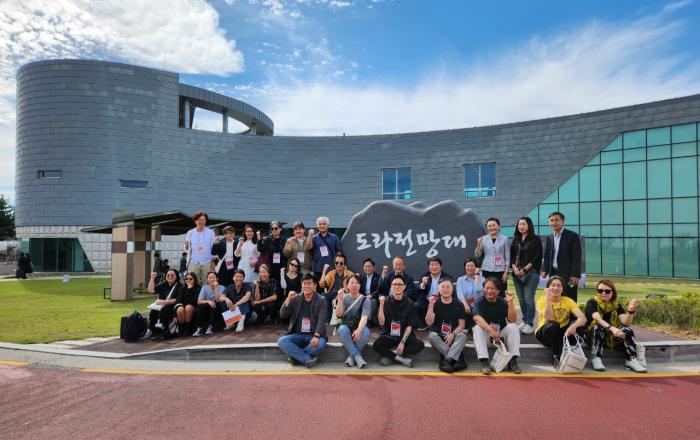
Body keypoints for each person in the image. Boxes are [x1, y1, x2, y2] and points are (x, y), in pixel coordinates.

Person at [585, 280, 646, 373]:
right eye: (600, 291)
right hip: (592, 336)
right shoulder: (592, 302)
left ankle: (631, 359)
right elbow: (597, 319)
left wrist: (630, 311)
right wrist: (612, 328)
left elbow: (626, 323)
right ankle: (595, 358)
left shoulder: (616, 305)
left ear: (612, 292)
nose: (603, 293)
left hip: (610, 337)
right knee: (598, 327)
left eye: (607, 291)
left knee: (627, 329)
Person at [535, 275, 587, 367]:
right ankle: (557, 355)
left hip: (562, 333)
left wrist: (573, 326)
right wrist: (548, 298)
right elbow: (549, 317)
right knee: (554, 325)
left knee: (579, 324)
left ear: (563, 289)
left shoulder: (568, 301)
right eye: (553, 285)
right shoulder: (542, 300)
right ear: (548, 287)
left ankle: (573, 352)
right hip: (545, 333)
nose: (556, 288)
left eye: (559, 286)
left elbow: (583, 318)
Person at [472, 277, 521, 374]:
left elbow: (513, 320)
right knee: (477, 328)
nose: (489, 291)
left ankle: (512, 361)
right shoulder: (479, 301)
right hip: (486, 337)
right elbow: (476, 318)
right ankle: (485, 362)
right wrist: (490, 330)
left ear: (498, 291)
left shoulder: (503, 302)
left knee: (513, 327)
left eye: (492, 288)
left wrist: (510, 302)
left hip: (500, 338)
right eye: (487, 288)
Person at [373, 275, 425, 367]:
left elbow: (409, 326)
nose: (397, 286)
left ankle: (390, 356)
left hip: (404, 335)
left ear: (404, 286)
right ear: (391, 286)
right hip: (389, 335)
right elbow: (381, 323)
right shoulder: (385, 302)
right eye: (395, 284)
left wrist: (402, 342)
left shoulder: (410, 303)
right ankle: (402, 359)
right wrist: (381, 305)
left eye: (400, 284)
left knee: (419, 344)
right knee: (376, 345)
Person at [277, 273, 328, 367]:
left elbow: (322, 320)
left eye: (309, 283)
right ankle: (306, 358)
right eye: (304, 283)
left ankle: (295, 357)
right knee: (282, 341)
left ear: (315, 285)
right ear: (301, 285)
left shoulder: (321, 300)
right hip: (297, 335)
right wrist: (288, 299)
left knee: (321, 344)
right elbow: (283, 314)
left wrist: (316, 336)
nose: (306, 286)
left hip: (314, 335)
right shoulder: (296, 298)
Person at [426, 277, 469, 373]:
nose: (445, 290)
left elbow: (462, 325)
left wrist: (453, 334)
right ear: (438, 289)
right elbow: (429, 322)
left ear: (452, 288)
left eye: (448, 287)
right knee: (431, 336)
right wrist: (431, 305)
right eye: (443, 287)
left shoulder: (459, 304)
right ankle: (456, 357)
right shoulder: (434, 303)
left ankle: (446, 360)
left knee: (463, 336)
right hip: (439, 338)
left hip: (453, 337)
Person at [510, 216, 542, 335]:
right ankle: (524, 321)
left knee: (529, 299)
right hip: (516, 274)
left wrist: (524, 269)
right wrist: (515, 268)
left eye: (523, 224)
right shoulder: (515, 240)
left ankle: (529, 324)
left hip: (531, 273)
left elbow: (537, 257)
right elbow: (511, 257)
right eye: (519, 224)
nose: (521, 226)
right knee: (521, 299)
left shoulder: (535, 239)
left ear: (529, 225)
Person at [541, 211, 582, 301]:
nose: (554, 222)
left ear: (563, 222)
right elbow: (547, 255)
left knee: (569, 298)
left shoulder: (572, 236)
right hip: (553, 273)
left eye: (557, 220)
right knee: (554, 297)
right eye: (551, 220)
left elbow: (577, 257)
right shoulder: (550, 237)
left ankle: (571, 311)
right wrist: (544, 269)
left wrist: (575, 274)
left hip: (569, 274)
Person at [335, 274, 372, 369]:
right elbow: (339, 315)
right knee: (342, 329)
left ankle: (352, 358)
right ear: (347, 285)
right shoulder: (343, 297)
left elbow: (364, 317)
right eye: (352, 283)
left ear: (360, 285)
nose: (354, 285)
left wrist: (359, 330)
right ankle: (357, 357)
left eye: (357, 283)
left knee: (366, 332)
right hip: (346, 327)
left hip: (358, 326)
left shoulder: (365, 300)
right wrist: (340, 299)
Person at [475, 217, 510, 296]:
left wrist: (506, 272)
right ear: (487, 227)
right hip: (487, 269)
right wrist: (478, 244)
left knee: (501, 292)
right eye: (489, 226)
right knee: (487, 291)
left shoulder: (505, 238)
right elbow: (477, 255)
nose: (492, 227)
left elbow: (507, 256)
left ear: (499, 226)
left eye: (494, 225)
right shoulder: (483, 238)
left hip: (500, 270)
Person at [416, 257, 452, 329]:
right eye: (432, 265)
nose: (434, 267)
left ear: (441, 266)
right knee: (418, 305)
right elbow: (418, 289)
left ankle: (441, 325)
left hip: (442, 300)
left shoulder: (447, 277)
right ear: (429, 267)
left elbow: (450, 291)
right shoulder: (425, 276)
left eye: (436, 264)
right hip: (427, 300)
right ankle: (423, 324)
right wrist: (423, 284)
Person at [319, 252, 354, 322]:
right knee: (323, 296)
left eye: (341, 263)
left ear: (344, 264)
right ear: (334, 263)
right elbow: (322, 284)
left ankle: (340, 319)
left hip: (343, 294)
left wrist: (341, 293)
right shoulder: (331, 273)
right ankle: (327, 320)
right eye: (336, 262)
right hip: (332, 294)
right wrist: (324, 271)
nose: (338, 264)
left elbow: (351, 287)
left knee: (340, 298)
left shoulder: (350, 274)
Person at [146, 269, 181, 339]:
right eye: (168, 275)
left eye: (172, 275)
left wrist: (163, 301)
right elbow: (151, 290)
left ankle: (164, 330)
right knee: (153, 311)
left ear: (176, 276)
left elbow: (177, 300)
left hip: (173, 307)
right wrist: (152, 278)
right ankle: (151, 330)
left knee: (164, 311)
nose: (170, 277)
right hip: (161, 306)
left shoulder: (179, 286)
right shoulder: (163, 284)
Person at [305, 216, 342, 282]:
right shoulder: (314, 237)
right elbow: (308, 247)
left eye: (324, 224)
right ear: (317, 225)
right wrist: (310, 235)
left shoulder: (334, 237)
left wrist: (339, 265)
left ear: (328, 225)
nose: (322, 226)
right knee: (319, 287)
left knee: (331, 287)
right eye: (320, 224)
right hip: (318, 269)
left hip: (332, 268)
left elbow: (339, 252)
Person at [184, 211, 216, 283]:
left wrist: (214, 258)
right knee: (192, 282)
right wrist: (186, 245)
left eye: (203, 220)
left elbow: (213, 247)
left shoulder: (211, 232)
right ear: (195, 221)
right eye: (199, 220)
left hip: (207, 262)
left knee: (208, 282)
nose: (201, 222)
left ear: (205, 221)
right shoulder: (190, 232)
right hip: (193, 261)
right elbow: (186, 248)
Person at [192, 271, 226, 337]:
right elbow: (199, 301)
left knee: (216, 303)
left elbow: (218, 300)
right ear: (207, 279)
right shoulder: (205, 287)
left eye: (213, 277)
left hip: (218, 310)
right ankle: (199, 328)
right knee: (200, 306)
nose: (211, 279)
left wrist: (216, 287)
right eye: (209, 278)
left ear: (217, 279)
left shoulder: (222, 287)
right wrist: (208, 301)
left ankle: (210, 327)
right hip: (207, 309)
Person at [360, 258, 381, 324]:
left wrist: (371, 295)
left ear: (373, 267)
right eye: (366, 266)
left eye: (369, 266)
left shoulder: (378, 277)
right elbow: (360, 290)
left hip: (374, 297)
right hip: (364, 296)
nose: (367, 268)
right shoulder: (362, 277)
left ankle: (369, 320)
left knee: (373, 302)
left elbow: (379, 290)